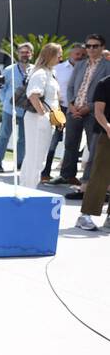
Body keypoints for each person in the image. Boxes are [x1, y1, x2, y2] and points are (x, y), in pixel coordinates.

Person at [58, 34, 110, 189]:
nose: (91, 49)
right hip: (74, 110)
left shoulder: (107, 67)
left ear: (102, 47)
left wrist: (89, 107)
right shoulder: (80, 64)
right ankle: (67, 176)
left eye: (95, 46)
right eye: (88, 46)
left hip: (94, 113)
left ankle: (87, 181)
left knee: (92, 148)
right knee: (70, 145)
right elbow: (70, 87)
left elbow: (105, 94)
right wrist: (72, 105)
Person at [19, 43, 61, 189]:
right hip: (38, 120)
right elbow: (33, 96)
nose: (61, 57)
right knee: (35, 157)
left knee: (38, 157)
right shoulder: (40, 73)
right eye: (58, 54)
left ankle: (28, 187)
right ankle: (28, 189)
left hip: (46, 120)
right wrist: (44, 116)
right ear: (50, 55)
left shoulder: (51, 72)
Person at [75, 73, 110, 231]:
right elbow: (98, 111)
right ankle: (85, 216)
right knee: (99, 175)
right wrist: (108, 127)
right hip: (106, 134)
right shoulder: (104, 83)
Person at [43, 43, 83, 180]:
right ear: (70, 54)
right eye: (77, 54)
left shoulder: (84, 69)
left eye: (82, 54)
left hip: (75, 110)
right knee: (52, 141)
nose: (80, 57)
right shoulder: (58, 69)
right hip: (58, 109)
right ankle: (45, 172)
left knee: (71, 143)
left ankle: (67, 175)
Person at [0, 41, 32, 172]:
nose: (24, 55)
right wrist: (5, 101)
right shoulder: (9, 70)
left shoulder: (34, 70)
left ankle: (19, 163)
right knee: (4, 135)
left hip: (27, 110)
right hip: (10, 109)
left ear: (31, 54)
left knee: (23, 138)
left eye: (27, 52)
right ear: (18, 54)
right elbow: (1, 87)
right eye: (22, 52)